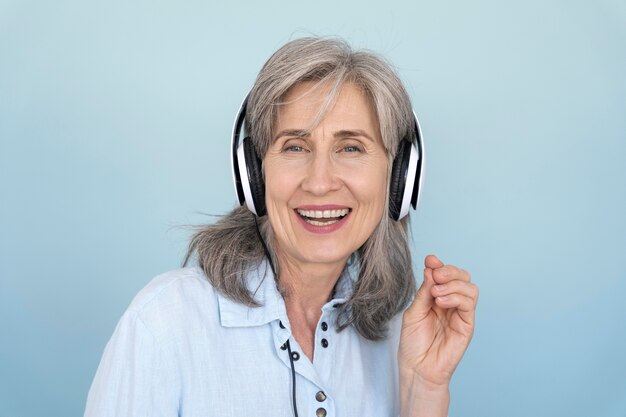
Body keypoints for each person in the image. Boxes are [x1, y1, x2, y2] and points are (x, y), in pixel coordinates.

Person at [85, 37, 478, 417]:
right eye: (294, 147)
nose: (320, 182)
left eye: (351, 148)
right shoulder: (166, 323)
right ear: (254, 174)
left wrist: (423, 389)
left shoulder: (398, 341)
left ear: (399, 178)